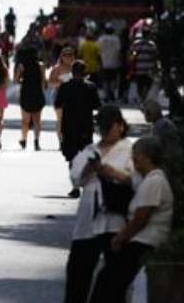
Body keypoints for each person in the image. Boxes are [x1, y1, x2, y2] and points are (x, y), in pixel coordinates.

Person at [64, 106, 135, 303]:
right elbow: (75, 179)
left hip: (116, 220)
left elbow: (136, 181)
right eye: (102, 127)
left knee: (114, 279)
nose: (105, 131)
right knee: (77, 275)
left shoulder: (130, 150)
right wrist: (90, 168)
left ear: (120, 126)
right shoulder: (90, 151)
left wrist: (112, 173)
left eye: (109, 126)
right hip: (88, 221)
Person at [91, 137, 173, 303]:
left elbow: (140, 219)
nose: (133, 158)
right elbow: (130, 180)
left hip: (144, 243)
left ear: (146, 156)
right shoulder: (147, 179)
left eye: (136, 154)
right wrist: (109, 172)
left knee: (108, 284)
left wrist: (119, 238)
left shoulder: (155, 181)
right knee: (110, 283)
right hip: (139, 242)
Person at [56, 61, 102, 198]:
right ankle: (86, 184)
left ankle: (75, 186)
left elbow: (58, 103)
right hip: (85, 127)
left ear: (72, 72)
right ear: (85, 72)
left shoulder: (65, 86)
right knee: (86, 156)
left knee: (72, 157)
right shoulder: (91, 87)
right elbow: (97, 105)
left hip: (69, 127)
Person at [15, 45, 47, 151]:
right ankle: (36, 141)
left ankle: (24, 139)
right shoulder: (41, 65)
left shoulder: (22, 66)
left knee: (25, 120)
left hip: (26, 93)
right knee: (37, 120)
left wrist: (23, 82)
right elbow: (43, 81)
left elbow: (16, 80)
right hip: (37, 93)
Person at [129, 33, 159, 103]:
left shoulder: (136, 44)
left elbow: (132, 55)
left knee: (140, 85)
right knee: (148, 84)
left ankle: (141, 98)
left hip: (139, 68)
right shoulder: (152, 44)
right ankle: (144, 97)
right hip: (149, 69)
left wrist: (133, 60)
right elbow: (155, 56)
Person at [97, 25, 123, 102]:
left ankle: (106, 96)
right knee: (113, 80)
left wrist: (99, 62)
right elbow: (119, 51)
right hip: (114, 63)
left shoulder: (101, 39)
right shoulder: (116, 39)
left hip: (104, 63)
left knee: (105, 80)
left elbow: (98, 51)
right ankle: (112, 95)